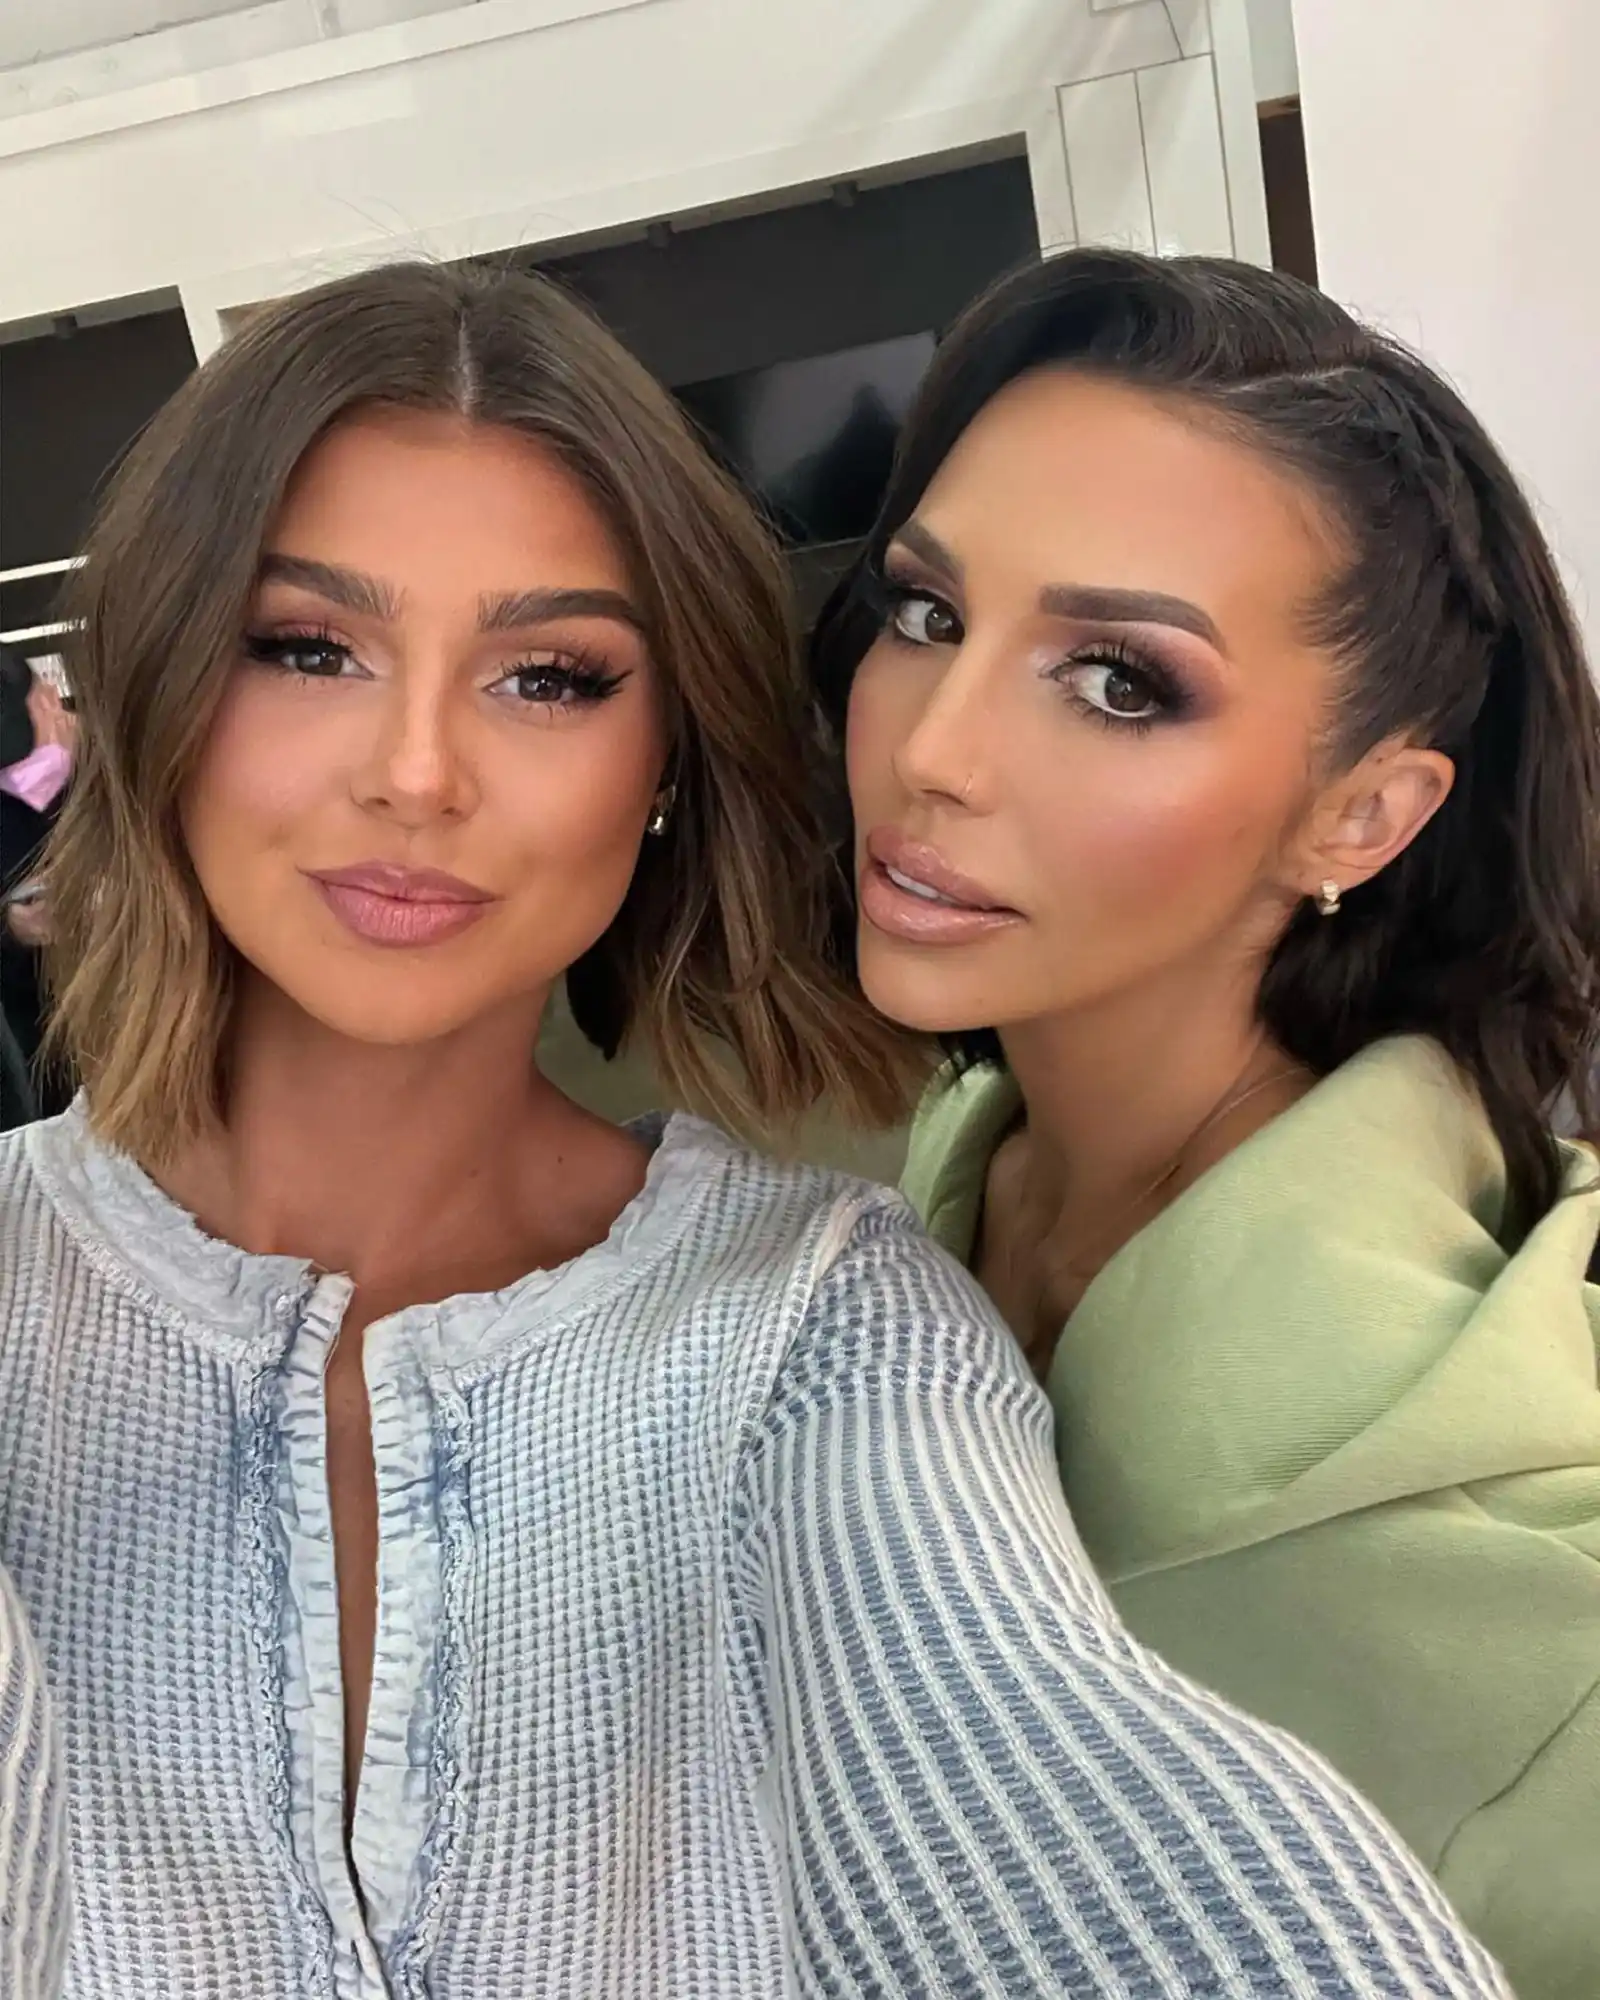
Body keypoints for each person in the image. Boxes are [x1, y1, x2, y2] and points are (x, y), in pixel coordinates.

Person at [0, 259, 1510, 2000]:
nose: (415, 772)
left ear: (667, 752)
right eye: (306, 648)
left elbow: (1048, 1760)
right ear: (162, 685)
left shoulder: (826, 1325)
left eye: (548, 675)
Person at [816, 246, 1600, 2000]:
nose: (933, 750)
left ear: (1364, 814)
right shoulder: (974, 1159)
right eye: (928, 615)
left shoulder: (1489, 1568)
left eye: (1119, 681)